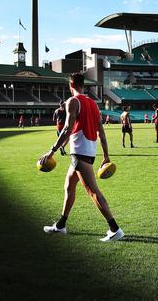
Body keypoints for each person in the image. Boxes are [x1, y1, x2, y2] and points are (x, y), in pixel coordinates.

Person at [38, 72, 123, 242]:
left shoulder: (73, 101)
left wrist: (52, 150)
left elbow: (67, 128)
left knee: (92, 191)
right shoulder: (93, 103)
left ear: (71, 85)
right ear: (83, 85)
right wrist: (106, 155)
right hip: (89, 151)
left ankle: (115, 229)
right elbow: (102, 132)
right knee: (69, 186)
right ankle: (61, 225)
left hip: (79, 152)